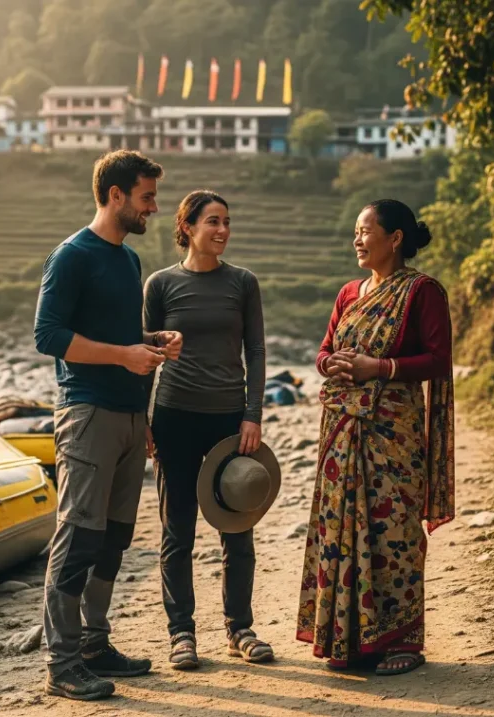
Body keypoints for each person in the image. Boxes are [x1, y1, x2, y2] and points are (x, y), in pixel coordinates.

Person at [34, 150, 183, 701]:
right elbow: (47, 335)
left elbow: (120, 340)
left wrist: (149, 345)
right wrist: (123, 356)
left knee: (114, 539)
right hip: (88, 412)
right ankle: (62, 662)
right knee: (77, 538)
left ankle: (95, 644)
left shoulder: (126, 261)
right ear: (115, 195)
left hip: (127, 417)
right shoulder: (71, 256)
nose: (154, 208)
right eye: (146, 197)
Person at [296, 198, 455, 676]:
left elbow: (438, 360)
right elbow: (324, 350)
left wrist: (379, 368)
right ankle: (350, 641)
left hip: (394, 433)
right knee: (339, 530)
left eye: (366, 230)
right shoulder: (349, 293)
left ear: (396, 238)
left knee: (394, 534)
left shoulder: (424, 292)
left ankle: (403, 640)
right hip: (342, 433)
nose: (357, 239)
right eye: (355, 231)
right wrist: (333, 364)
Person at [143, 189, 272, 670]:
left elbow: (255, 351)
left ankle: (240, 629)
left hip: (228, 422)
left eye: (227, 222)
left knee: (237, 529)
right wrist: (144, 421)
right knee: (178, 531)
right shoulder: (160, 285)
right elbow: (148, 355)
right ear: (188, 226)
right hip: (174, 418)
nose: (222, 230)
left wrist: (252, 414)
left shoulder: (242, 282)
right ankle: (182, 634)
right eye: (213, 222)